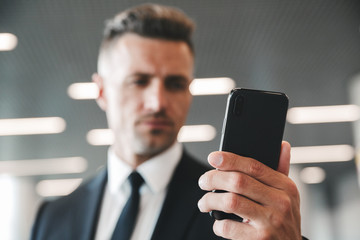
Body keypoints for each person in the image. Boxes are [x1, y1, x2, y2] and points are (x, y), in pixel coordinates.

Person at [30, 3, 304, 240]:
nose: (158, 102)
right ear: (101, 91)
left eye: (175, 84)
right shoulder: (53, 217)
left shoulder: (233, 209)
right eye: (139, 81)